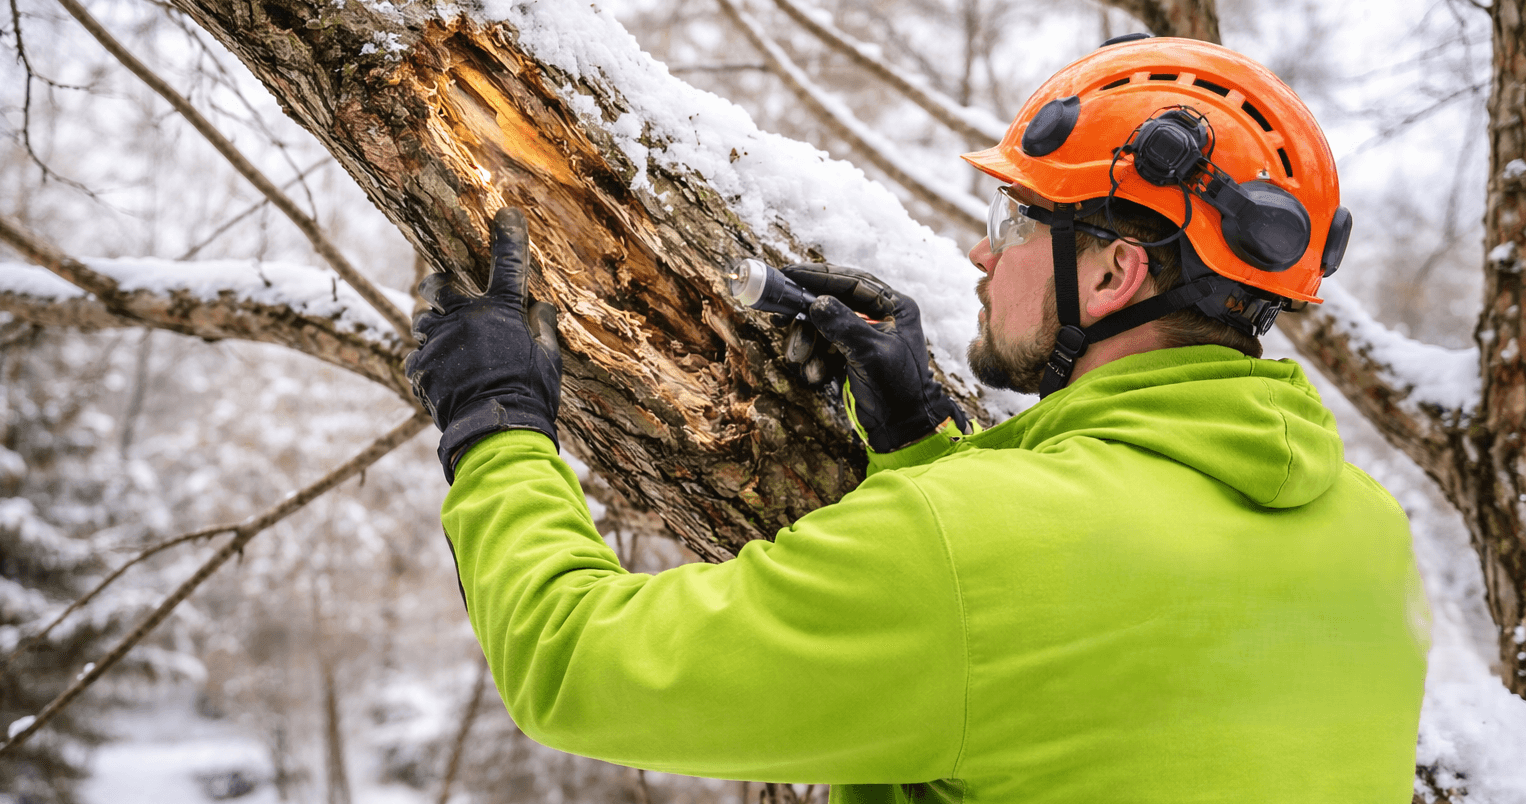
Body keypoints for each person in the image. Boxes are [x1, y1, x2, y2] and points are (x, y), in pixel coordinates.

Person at [403, 35, 1428, 804]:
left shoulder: (978, 549)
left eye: (1019, 221)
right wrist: (917, 445)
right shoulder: (1368, 538)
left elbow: (576, 665)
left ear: (1115, 273)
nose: (985, 255)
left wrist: (494, 425)